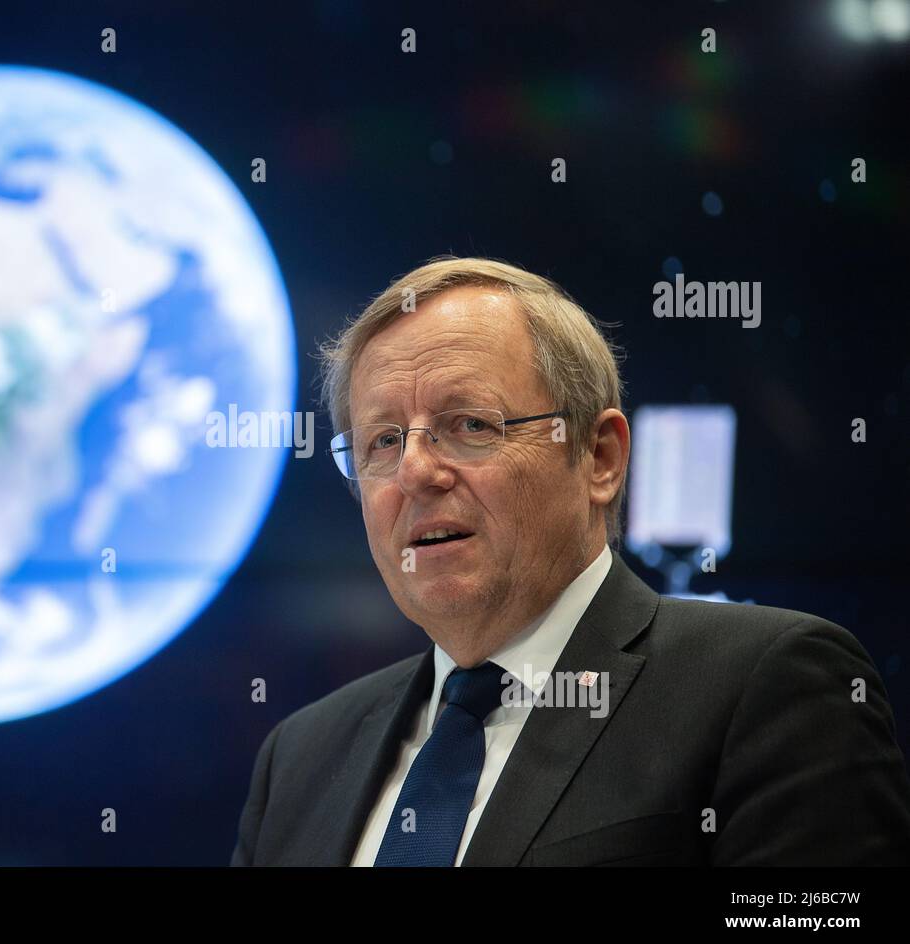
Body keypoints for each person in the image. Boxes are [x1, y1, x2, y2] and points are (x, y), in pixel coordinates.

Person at [230, 257, 910, 866]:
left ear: (600, 458)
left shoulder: (768, 687)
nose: (414, 471)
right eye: (380, 441)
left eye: (470, 424)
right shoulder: (299, 760)